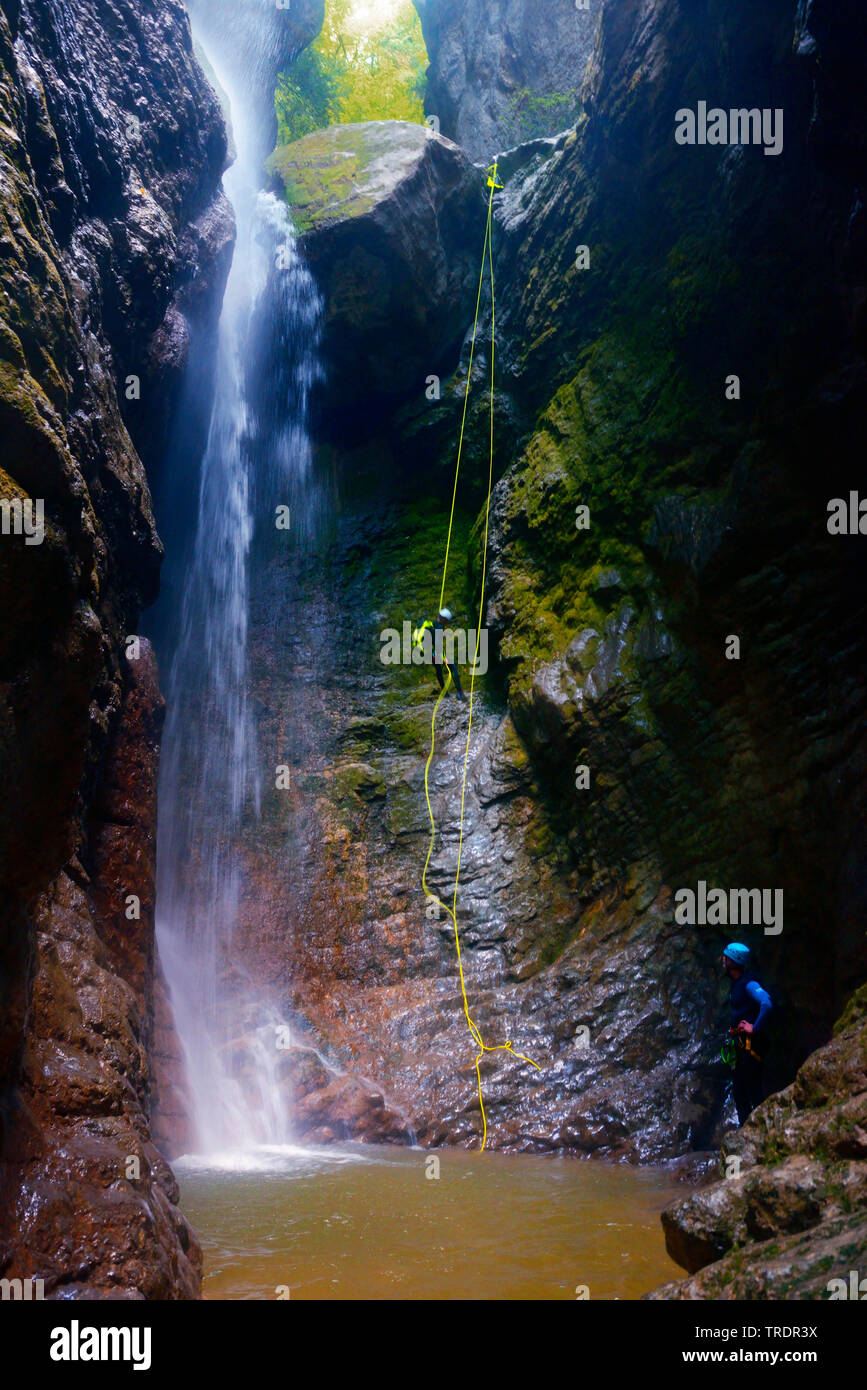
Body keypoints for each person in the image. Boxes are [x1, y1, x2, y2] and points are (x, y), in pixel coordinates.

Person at [721, 942, 773, 1125]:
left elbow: (766, 1003)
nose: (723, 959)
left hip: (750, 1048)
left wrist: (754, 1027)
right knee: (740, 1093)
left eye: (726, 957)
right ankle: (745, 1133)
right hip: (741, 1047)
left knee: (752, 1092)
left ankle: (762, 1132)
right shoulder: (737, 984)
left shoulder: (749, 984)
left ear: (733, 961)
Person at [413, 607, 465, 700]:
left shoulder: (431, 624)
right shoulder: (439, 627)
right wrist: (444, 658)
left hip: (423, 651)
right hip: (431, 651)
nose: (448, 623)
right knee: (452, 666)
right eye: (447, 621)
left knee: (438, 669)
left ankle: (445, 693)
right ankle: (460, 693)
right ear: (444, 620)